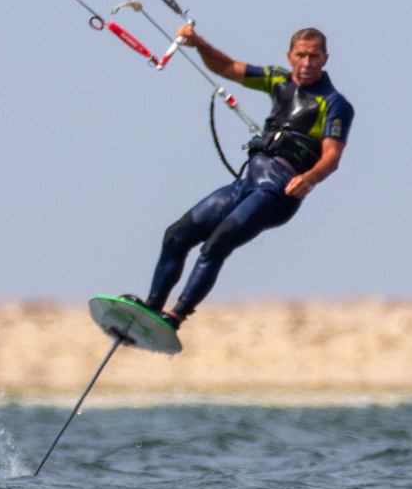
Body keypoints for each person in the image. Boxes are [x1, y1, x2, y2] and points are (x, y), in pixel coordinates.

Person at [125, 23, 354, 330]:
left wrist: (310, 178)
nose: (307, 64)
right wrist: (197, 42)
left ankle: (175, 316)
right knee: (176, 236)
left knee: (216, 245)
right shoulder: (277, 79)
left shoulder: (335, 104)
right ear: (290, 56)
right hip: (247, 183)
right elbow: (227, 67)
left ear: (325, 59)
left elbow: (332, 158)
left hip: (277, 192)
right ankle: (152, 307)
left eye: (314, 57)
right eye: (301, 55)